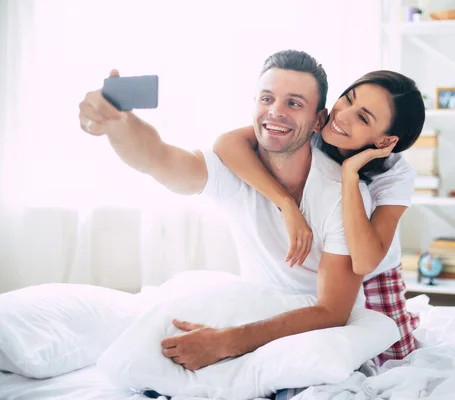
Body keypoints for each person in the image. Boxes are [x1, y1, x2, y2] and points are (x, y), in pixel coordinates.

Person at [77, 50, 373, 374]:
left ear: (319, 120)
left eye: (294, 103)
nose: (275, 112)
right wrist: (120, 125)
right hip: (256, 312)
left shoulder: (340, 193)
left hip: (319, 332)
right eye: (266, 98)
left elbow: (331, 311)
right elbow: (160, 160)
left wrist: (223, 343)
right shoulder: (234, 168)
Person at [213, 70, 426, 364]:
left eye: (363, 118)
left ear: (385, 140)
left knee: (392, 360)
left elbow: (364, 261)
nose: (343, 116)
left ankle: (408, 322)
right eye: (347, 99)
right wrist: (286, 204)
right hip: (321, 263)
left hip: (374, 272)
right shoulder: (313, 127)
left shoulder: (396, 173)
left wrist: (349, 174)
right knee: (309, 353)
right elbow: (226, 144)